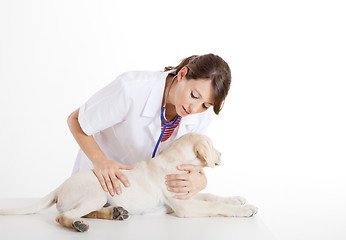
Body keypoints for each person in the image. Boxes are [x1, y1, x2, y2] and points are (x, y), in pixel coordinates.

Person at [67, 54, 231, 200]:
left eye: (205, 105)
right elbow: (75, 120)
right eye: (194, 95)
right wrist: (100, 161)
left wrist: (201, 180)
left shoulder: (200, 114)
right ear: (182, 74)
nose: (194, 109)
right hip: (97, 185)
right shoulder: (131, 88)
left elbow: (192, 159)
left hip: (142, 200)